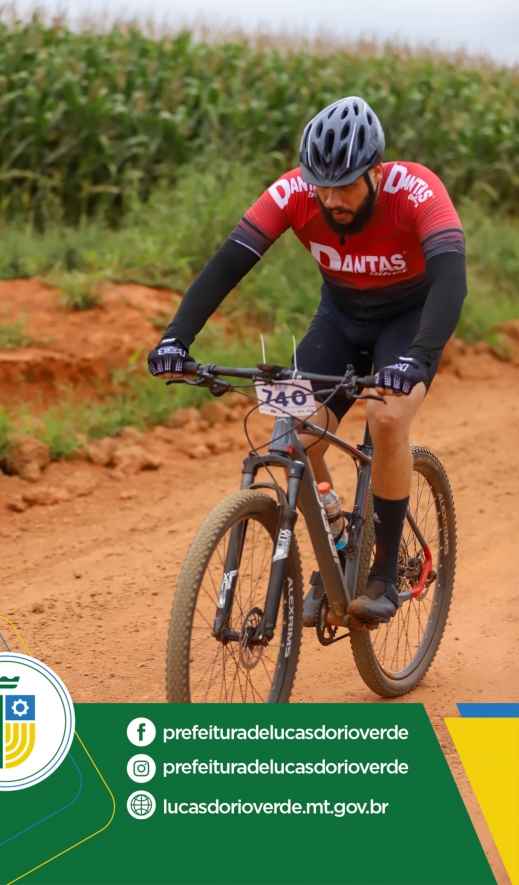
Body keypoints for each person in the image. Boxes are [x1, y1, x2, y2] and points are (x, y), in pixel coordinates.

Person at [148, 96, 466, 626]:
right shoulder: (293, 192)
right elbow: (229, 262)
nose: (332, 199)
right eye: (322, 185)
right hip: (340, 319)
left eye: (346, 185)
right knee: (292, 424)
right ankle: (338, 534)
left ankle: (384, 574)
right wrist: (174, 340)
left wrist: (419, 357)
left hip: (407, 322)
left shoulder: (416, 190)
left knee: (385, 418)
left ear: (377, 173)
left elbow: (451, 279)